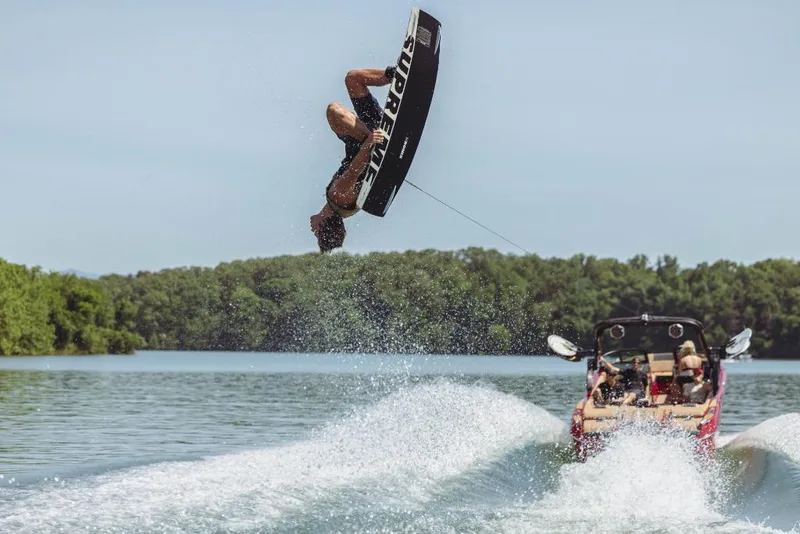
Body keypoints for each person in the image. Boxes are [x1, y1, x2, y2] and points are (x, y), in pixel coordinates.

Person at [309, 65, 398, 253]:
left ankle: (394, 74)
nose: (312, 230)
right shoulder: (337, 199)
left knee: (353, 79)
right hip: (368, 142)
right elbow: (353, 172)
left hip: (362, 138)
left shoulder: (343, 207)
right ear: (323, 226)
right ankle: (376, 138)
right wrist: (371, 142)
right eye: (316, 233)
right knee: (335, 110)